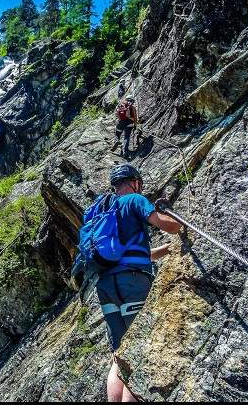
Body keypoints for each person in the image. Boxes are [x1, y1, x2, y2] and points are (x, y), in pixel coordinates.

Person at [80, 163, 182, 402]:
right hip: (133, 284)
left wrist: (166, 250)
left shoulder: (103, 211)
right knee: (140, 350)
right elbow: (169, 225)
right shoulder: (134, 200)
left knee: (119, 354)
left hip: (106, 287)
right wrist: (176, 220)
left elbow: (132, 254)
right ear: (135, 183)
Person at [113, 94, 138, 158]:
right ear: (132, 100)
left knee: (117, 134)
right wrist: (135, 125)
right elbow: (135, 117)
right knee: (126, 137)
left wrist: (119, 119)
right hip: (129, 123)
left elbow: (116, 114)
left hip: (121, 122)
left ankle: (116, 141)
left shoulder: (121, 105)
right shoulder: (132, 107)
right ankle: (125, 152)